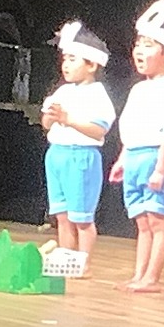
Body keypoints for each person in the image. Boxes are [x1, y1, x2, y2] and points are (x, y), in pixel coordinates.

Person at [110, 0, 164, 293]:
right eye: (138, 44)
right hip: (135, 157)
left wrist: (161, 168)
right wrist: (122, 158)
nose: (140, 51)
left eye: (149, 45)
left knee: (158, 221)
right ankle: (139, 274)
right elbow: (131, 129)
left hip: (156, 158)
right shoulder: (138, 89)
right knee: (142, 222)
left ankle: (152, 277)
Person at [41, 20, 115, 275]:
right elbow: (46, 123)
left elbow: (99, 129)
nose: (66, 65)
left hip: (81, 156)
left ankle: (83, 263)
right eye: (65, 59)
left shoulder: (98, 94)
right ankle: (67, 261)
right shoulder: (61, 92)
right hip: (57, 154)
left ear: (91, 65)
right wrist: (51, 117)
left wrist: (68, 119)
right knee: (62, 215)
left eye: (73, 59)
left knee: (81, 217)